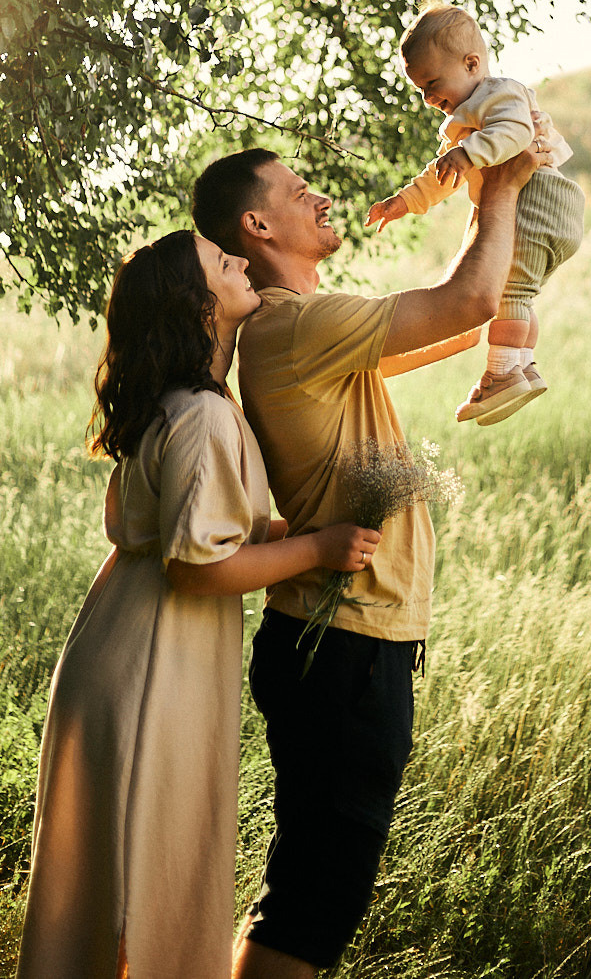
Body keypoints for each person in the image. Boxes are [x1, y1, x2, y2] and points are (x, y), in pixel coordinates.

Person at [191, 134, 551, 979]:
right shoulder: (294, 326)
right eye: (298, 190)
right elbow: (463, 302)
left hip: (349, 647)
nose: (320, 197)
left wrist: (517, 280)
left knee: (313, 888)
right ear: (258, 224)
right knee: (314, 901)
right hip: (340, 648)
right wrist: (496, 187)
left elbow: (459, 325)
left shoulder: (311, 327)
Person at [15, 229, 379, 979]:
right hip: (153, 662)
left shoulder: (187, 403)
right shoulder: (204, 415)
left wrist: (296, 528)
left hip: (129, 646)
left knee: (122, 874)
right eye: (224, 262)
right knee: (145, 879)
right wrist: (317, 549)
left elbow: (208, 528)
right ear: (200, 306)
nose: (243, 264)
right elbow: (197, 565)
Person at [367, 2, 585, 424]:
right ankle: (522, 365)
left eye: (432, 83)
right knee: (518, 292)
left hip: (538, 200)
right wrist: (406, 201)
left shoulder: (499, 94)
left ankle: (500, 374)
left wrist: (468, 154)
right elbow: (442, 173)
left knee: (509, 294)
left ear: (471, 63)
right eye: (421, 91)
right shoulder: (467, 121)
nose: (430, 98)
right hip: (549, 211)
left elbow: (515, 133)